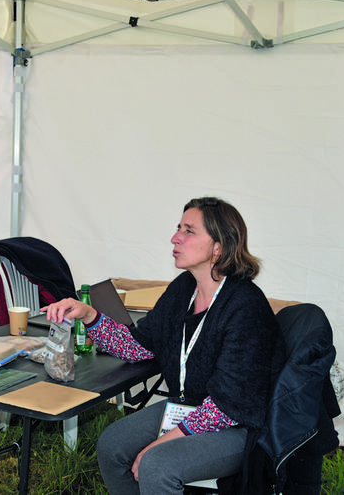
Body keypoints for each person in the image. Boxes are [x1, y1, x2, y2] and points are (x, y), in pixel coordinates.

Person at [43, 197, 282, 495]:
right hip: (188, 409)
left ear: (219, 246)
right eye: (178, 227)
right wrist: (89, 315)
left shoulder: (245, 306)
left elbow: (225, 407)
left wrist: (161, 443)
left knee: (156, 464)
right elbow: (138, 347)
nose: (175, 237)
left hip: (236, 427)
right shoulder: (183, 289)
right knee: (112, 445)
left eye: (189, 231)